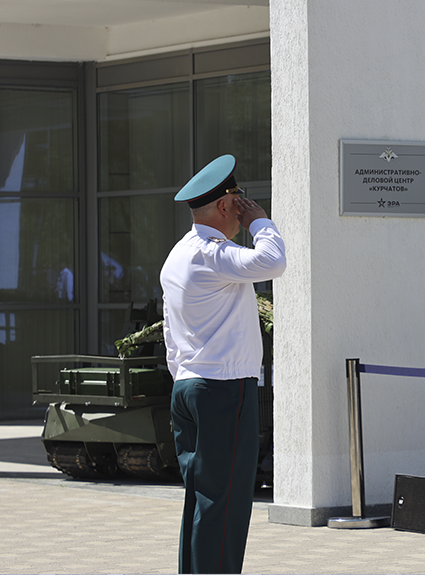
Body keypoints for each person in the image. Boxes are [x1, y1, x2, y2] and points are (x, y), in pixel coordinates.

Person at [161, 154, 287, 573]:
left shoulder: (178, 254)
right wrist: (262, 223)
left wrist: (184, 377)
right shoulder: (213, 253)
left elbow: (169, 332)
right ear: (223, 206)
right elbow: (273, 262)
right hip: (222, 390)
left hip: (190, 387)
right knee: (226, 503)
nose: (243, 207)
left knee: (202, 499)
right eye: (239, 201)